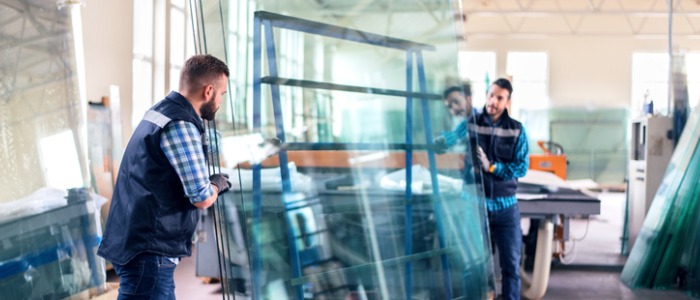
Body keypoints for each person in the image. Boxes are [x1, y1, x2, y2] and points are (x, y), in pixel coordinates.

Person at [98, 54, 232, 299]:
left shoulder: (160, 112)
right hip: (149, 250)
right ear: (209, 91)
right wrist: (218, 183)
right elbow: (201, 196)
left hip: (134, 239)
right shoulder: (181, 125)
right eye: (222, 93)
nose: (221, 100)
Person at [472, 78, 529, 300]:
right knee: (476, 268)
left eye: (499, 97)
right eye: (491, 95)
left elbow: (521, 167)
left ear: (508, 102)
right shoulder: (472, 123)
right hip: (477, 209)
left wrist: (492, 167)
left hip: (506, 210)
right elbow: (450, 138)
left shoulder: (517, 130)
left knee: (511, 268)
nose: (493, 101)